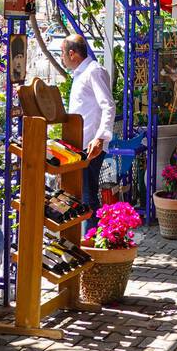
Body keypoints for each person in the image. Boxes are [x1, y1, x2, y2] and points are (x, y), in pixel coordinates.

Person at [62, 34, 114, 234]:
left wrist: (100, 138)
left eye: (63, 54)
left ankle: (92, 241)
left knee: (88, 195)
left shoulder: (94, 71)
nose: (62, 58)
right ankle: (89, 240)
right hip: (79, 145)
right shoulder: (81, 73)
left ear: (73, 54)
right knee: (83, 194)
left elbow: (108, 105)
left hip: (90, 145)